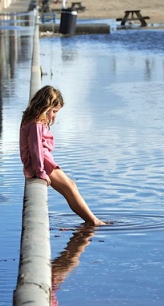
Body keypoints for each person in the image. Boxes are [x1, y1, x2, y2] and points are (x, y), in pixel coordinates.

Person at [19, 85, 106, 226]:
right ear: (44, 107)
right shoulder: (35, 123)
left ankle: (91, 221)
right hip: (42, 164)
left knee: (70, 187)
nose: (54, 116)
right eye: (53, 111)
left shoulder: (32, 119)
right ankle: (93, 221)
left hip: (43, 162)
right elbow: (36, 150)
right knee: (70, 188)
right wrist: (40, 173)